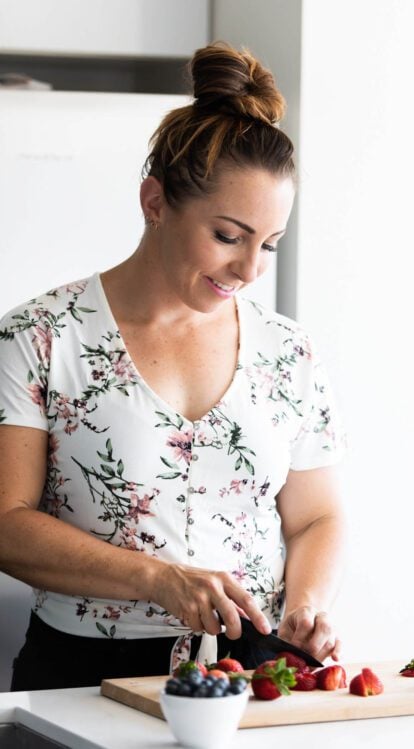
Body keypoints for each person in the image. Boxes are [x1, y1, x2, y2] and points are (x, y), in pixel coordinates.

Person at [0, 41, 346, 691]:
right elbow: (5, 522)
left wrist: (306, 604)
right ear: (154, 200)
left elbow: (316, 516)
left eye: (269, 243)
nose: (249, 270)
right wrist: (157, 578)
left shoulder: (289, 352)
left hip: (251, 674)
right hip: (81, 677)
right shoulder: (39, 336)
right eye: (228, 235)